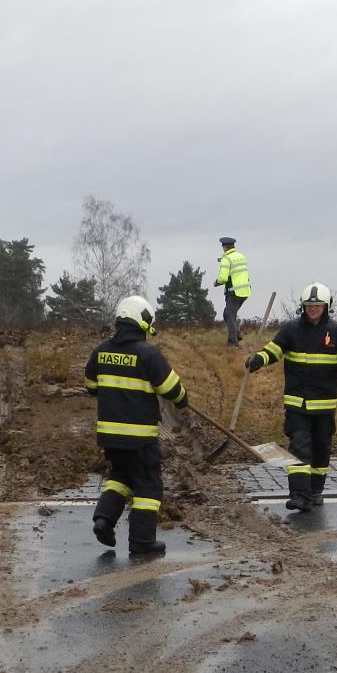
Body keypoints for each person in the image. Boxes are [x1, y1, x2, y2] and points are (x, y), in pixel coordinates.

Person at [83, 295, 189, 557]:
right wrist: (183, 399)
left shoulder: (101, 350)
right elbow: (172, 390)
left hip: (111, 437)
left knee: (120, 477)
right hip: (140, 438)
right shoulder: (148, 354)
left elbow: (90, 386)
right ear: (142, 323)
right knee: (149, 486)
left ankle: (104, 520)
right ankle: (142, 543)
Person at [246, 283, 337, 510]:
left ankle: (315, 491)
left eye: (317, 305)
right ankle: (299, 494)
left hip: (324, 406)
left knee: (321, 448)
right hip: (297, 404)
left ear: (326, 307)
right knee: (299, 447)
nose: (313, 309)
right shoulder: (291, 330)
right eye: (309, 305)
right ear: (303, 307)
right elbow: (274, 350)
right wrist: (258, 359)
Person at [212, 236, 251, 346]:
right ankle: (237, 334)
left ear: (224, 247)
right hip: (245, 291)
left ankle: (233, 343)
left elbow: (223, 278)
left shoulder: (226, 259)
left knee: (230, 315)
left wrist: (216, 282)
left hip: (234, 292)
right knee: (227, 314)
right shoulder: (241, 256)